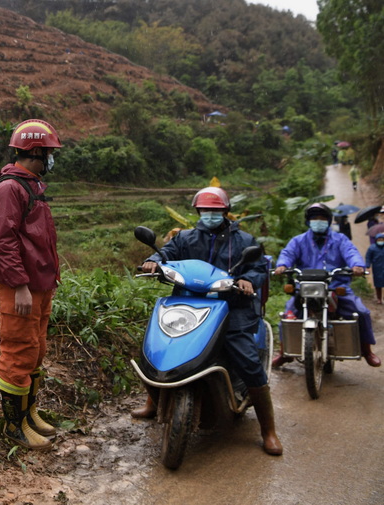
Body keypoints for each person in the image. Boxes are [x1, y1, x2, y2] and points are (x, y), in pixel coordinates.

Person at [133, 186, 282, 456]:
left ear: (225, 211)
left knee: (246, 358)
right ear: (198, 212)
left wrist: (248, 280)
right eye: (205, 211)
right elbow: (165, 253)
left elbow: (258, 267)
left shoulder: (243, 240)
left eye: (215, 211)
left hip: (232, 306)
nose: (210, 215)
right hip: (187, 302)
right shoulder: (186, 238)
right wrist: (153, 260)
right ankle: (152, 402)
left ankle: (268, 430)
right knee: (156, 346)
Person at [0, 119, 62, 451]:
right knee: (17, 352)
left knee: (36, 350)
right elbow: (4, 241)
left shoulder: (32, 186)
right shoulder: (9, 188)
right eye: (48, 152)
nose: (51, 159)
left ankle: (29, 415)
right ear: (35, 151)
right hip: (21, 287)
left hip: (40, 285)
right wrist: (18, 285)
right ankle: (13, 426)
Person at [273, 203, 381, 367]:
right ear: (308, 221)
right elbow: (287, 254)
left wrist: (357, 266)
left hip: (335, 285)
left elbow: (351, 252)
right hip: (306, 287)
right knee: (287, 315)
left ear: (329, 221)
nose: (318, 221)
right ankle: (284, 352)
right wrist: (282, 265)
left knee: (361, 312)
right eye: (315, 218)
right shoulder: (298, 240)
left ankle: (367, 351)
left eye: (322, 218)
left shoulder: (340, 239)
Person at [365, 232, 384, 305]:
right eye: (379, 239)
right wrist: (367, 266)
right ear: (376, 240)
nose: (381, 241)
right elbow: (368, 257)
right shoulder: (372, 248)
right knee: (378, 284)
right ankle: (379, 298)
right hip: (377, 268)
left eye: (382, 239)